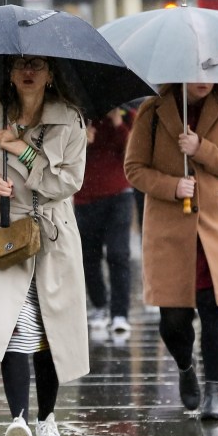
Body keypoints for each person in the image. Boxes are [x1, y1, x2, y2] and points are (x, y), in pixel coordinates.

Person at [0, 55, 89, 436]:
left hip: (53, 235)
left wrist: (22, 151)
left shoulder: (70, 119)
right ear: (10, 74)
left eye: (36, 65)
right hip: (5, 233)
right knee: (11, 325)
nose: (27, 72)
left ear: (50, 74)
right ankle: (17, 419)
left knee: (51, 330)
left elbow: (68, 181)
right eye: (19, 66)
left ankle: (47, 419)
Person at [124, 83, 218, 420]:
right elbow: (134, 169)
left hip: (217, 227)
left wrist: (201, 149)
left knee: (215, 309)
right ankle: (185, 366)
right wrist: (171, 186)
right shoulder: (152, 111)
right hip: (169, 229)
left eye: (208, 71)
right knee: (173, 320)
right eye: (195, 71)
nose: (203, 80)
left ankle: (214, 391)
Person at [75, 105, 134, 339]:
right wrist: (80, 139)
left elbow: (132, 154)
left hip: (119, 195)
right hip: (85, 196)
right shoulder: (78, 116)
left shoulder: (129, 116)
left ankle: (120, 313)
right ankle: (100, 305)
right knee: (89, 256)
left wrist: (118, 123)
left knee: (118, 254)